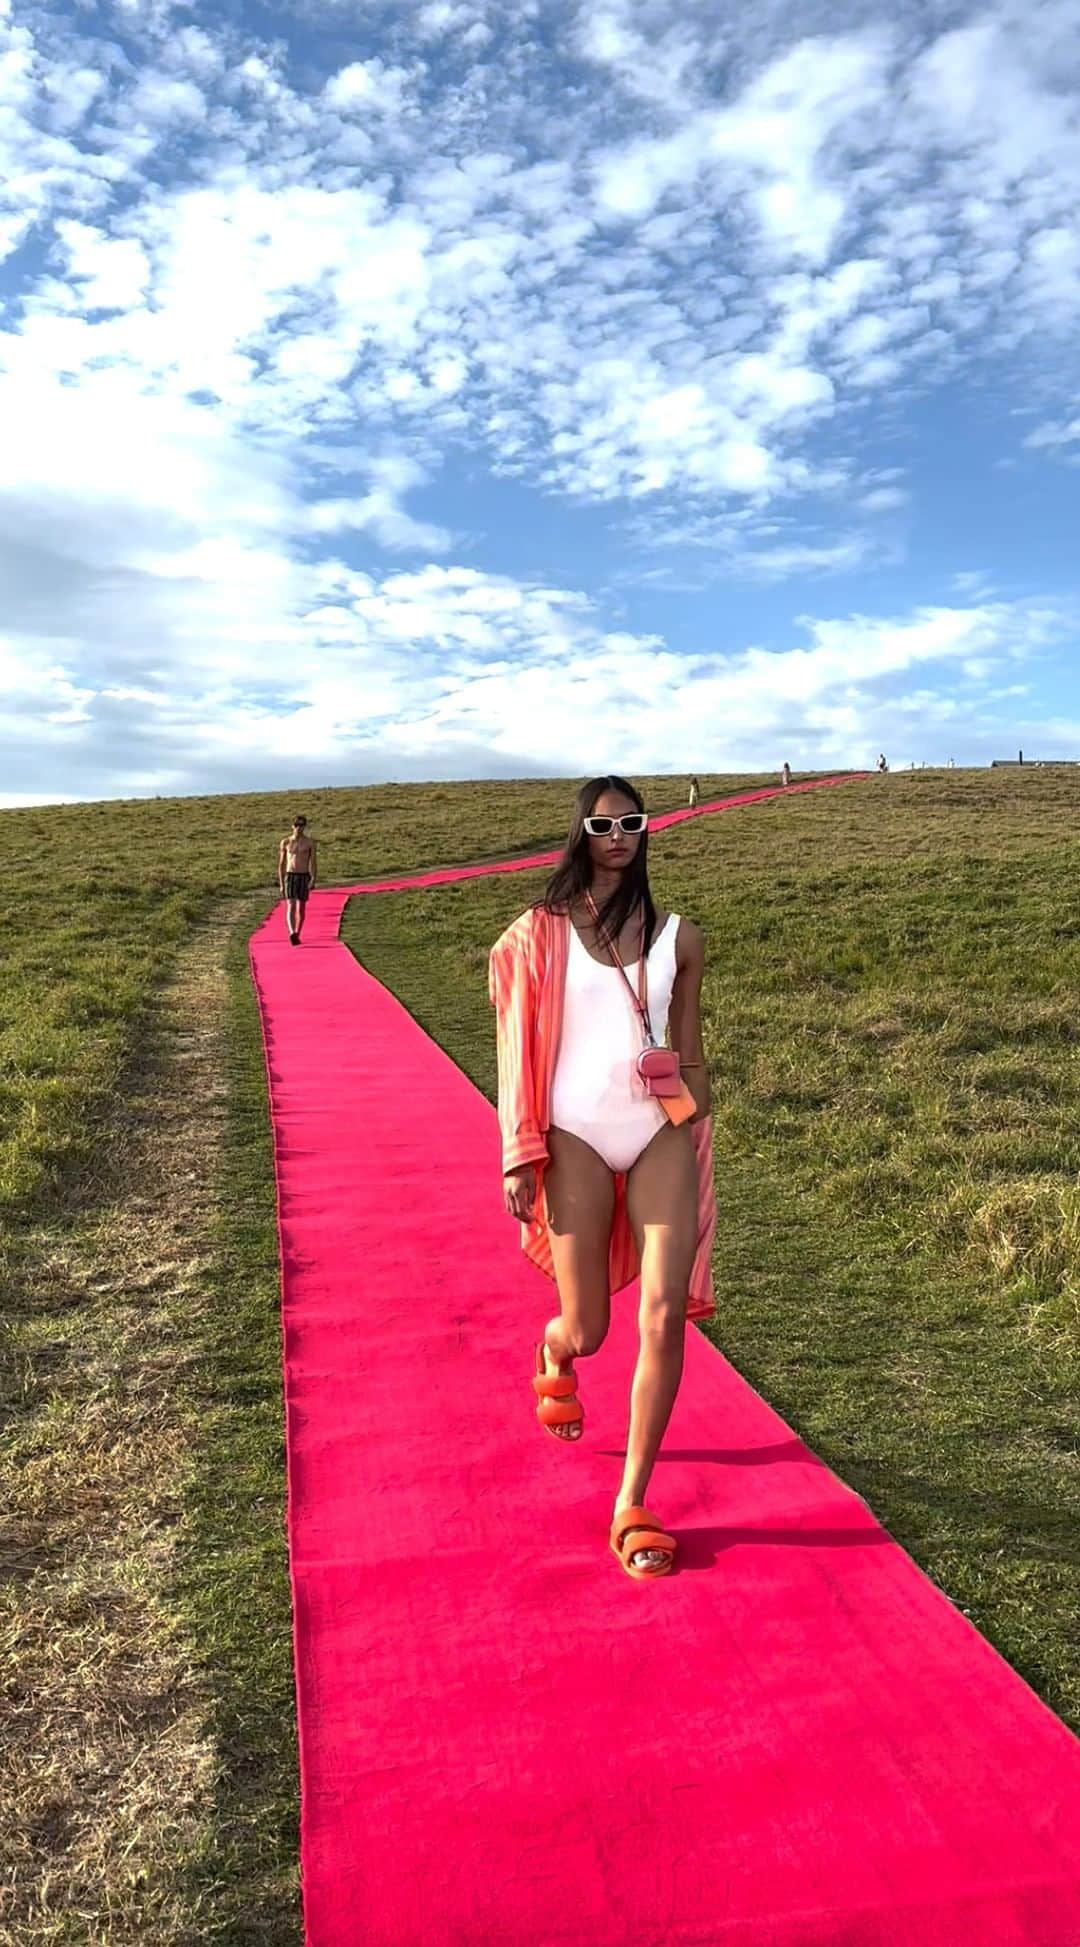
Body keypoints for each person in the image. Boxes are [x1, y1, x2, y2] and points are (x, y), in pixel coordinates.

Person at [488, 776, 717, 1582]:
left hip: (658, 1132)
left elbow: (689, 1056)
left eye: (631, 821)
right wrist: (522, 1149)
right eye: (603, 822)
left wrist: (694, 1104)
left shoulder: (680, 936)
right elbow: (516, 1037)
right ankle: (554, 1352)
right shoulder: (539, 932)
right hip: (574, 1132)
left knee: (664, 1314)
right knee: (589, 1328)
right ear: (580, 830)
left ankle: (632, 1499)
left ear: (646, 830)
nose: (618, 833)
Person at [278, 814, 317, 945]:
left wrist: (313, 879)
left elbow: (313, 862)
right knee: (291, 905)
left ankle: (298, 932)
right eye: (296, 825)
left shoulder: (310, 843)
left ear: (304, 826)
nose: (298, 828)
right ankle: (291, 932)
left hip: (303, 875)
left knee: (301, 908)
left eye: (301, 825)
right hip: (290, 875)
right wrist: (281, 883)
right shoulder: (286, 842)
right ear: (292, 826)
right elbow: (282, 864)